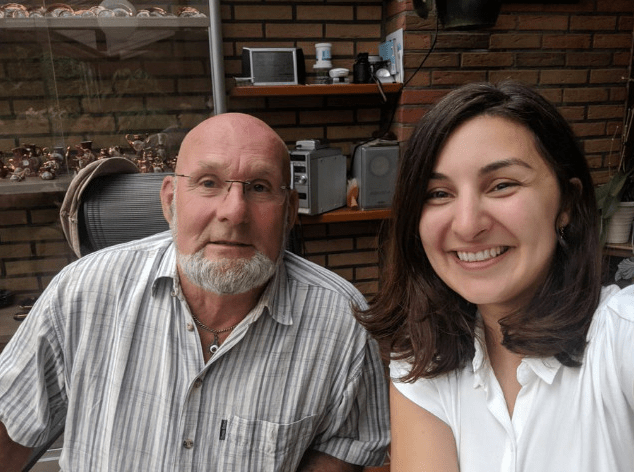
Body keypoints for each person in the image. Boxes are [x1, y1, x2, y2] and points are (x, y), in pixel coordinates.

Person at [0, 113, 390, 471]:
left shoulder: (342, 322)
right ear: (170, 200)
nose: (234, 212)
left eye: (259, 187)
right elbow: (8, 430)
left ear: (289, 211)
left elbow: (341, 451)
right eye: (208, 183)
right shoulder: (82, 292)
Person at [356, 81, 634, 471]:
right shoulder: (423, 360)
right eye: (438, 193)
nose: (467, 225)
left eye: (502, 185)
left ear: (567, 203)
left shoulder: (621, 336)